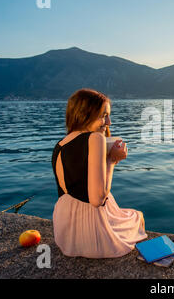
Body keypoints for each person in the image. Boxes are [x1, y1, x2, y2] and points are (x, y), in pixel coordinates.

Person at [51, 88, 147, 258]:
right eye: (103, 115)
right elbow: (97, 200)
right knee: (137, 217)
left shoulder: (61, 144)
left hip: (64, 230)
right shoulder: (95, 139)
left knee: (127, 215)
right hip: (89, 231)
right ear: (84, 113)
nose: (108, 122)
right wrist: (112, 161)